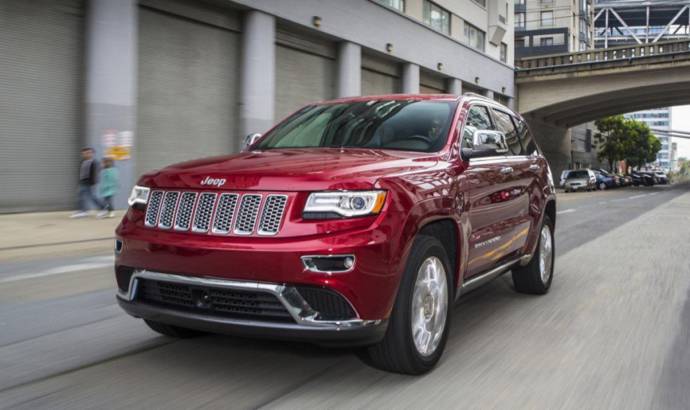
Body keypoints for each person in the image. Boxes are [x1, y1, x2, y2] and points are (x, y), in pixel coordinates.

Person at [71, 147, 105, 218]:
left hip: (90, 182)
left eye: (89, 153)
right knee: (80, 196)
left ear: (92, 154)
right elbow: (81, 172)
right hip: (83, 181)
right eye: (84, 153)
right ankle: (83, 211)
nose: (87, 154)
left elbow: (96, 173)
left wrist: (93, 182)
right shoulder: (82, 161)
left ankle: (103, 208)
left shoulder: (95, 162)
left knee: (92, 196)